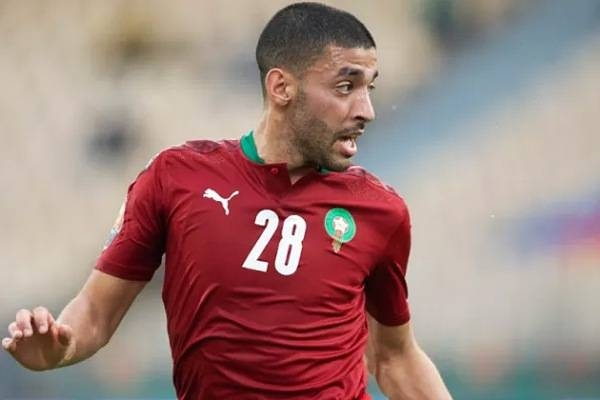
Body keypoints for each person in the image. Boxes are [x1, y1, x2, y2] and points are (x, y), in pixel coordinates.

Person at [2, 3, 452, 399]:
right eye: (345, 87)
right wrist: (57, 350)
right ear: (281, 88)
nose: (366, 110)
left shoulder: (381, 212)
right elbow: (96, 312)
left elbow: (394, 357)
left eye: (369, 88)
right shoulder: (176, 177)